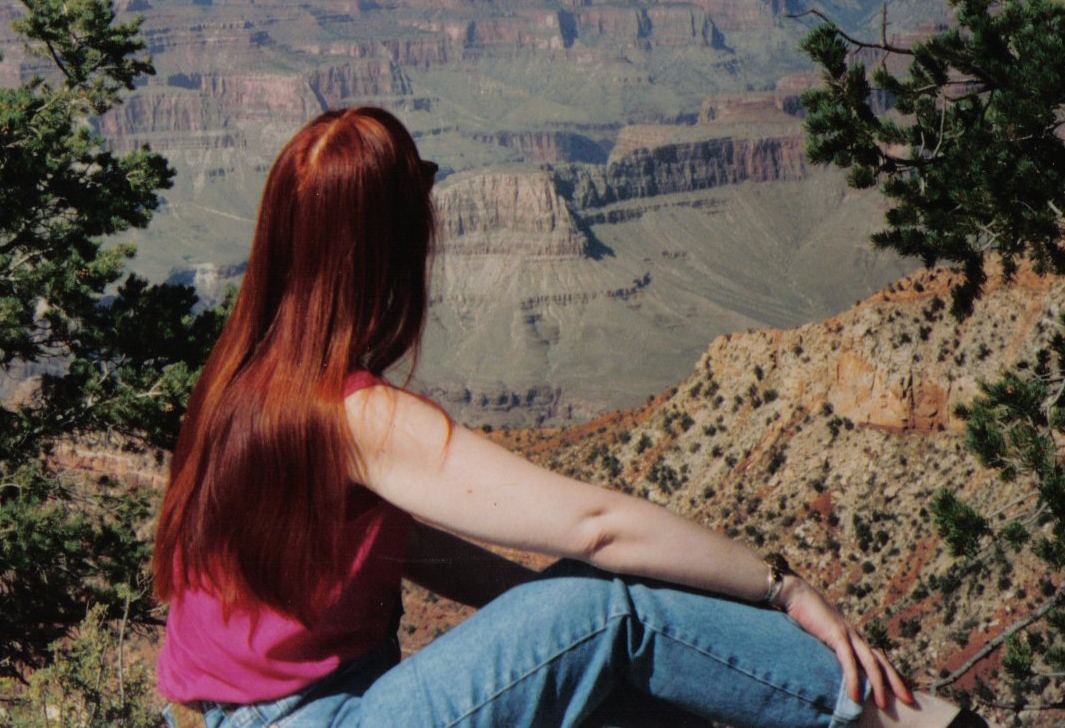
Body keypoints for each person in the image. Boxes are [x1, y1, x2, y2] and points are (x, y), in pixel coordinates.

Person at [152, 107, 985, 728]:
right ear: (386, 246)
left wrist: (542, 626)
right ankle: (897, 719)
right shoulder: (353, 415)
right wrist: (783, 586)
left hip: (252, 716)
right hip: (317, 721)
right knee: (613, 609)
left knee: (598, 627)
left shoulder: (245, 376)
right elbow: (595, 526)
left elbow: (419, 547)